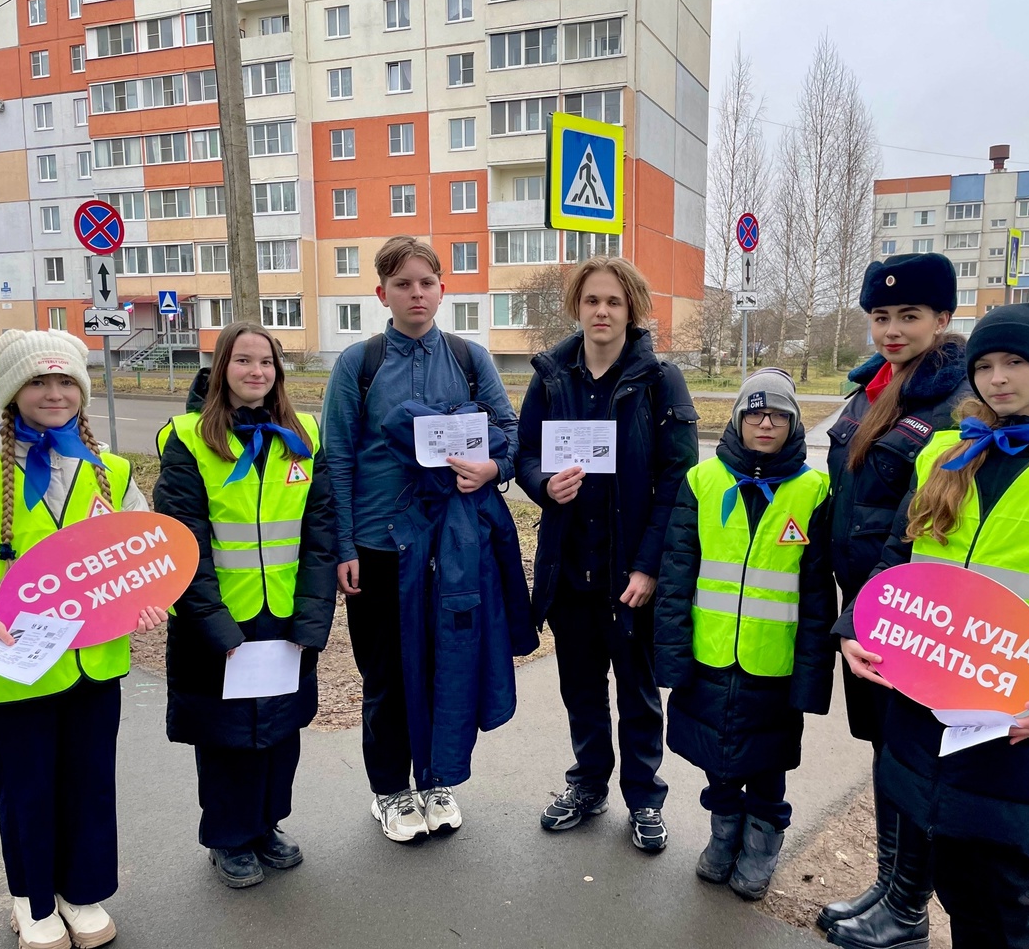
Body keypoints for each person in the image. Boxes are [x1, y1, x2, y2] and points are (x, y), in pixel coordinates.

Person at [830, 303, 1029, 949]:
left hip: (1015, 718)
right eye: (987, 365)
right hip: (925, 708)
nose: (998, 378)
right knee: (947, 874)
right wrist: (857, 626)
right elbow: (898, 557)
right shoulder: (945, 453)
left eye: (1015, 363)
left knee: (999, 894)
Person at [0, 329, 163, 949]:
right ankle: (32, 900)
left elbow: (141, 555)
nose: (54, 393)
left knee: (89, 783)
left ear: (82, 388)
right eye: (38, 382)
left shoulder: (113, 472)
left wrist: (148, 601)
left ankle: (81, 891)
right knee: (27, 789)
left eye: (66, 381)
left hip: (95, 670)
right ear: (13, 392)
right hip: (17, 672)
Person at [321, 235, 520, 843]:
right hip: (380, 548)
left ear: (442, 289)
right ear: (382, 293)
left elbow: (509, 433)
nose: (416, 294)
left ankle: (436, 779)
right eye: (403, 284)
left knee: (444, 665)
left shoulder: (468, 358)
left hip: (452, 550)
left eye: (426, 282)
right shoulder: (360, 363)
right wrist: (346, 547)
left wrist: (492, 468)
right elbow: (337, 459)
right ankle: (390, 791)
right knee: (385, 674)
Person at [515, 255, 699, 852]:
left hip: (629, 570)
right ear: (577, 306)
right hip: (570, 567)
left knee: (638, 692)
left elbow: (677, 480)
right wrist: (545, 484)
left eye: (613, 302)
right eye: (592, 300)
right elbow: (525, 455)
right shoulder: (551, 376)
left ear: (632, 310)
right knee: (581, 688)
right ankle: (589, 784)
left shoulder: (659, 379)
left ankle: (644, 798)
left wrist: (649, 565)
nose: (601, 311)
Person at [155, 321, 337, 888]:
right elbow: (181, 539)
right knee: (227, 733)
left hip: (283, 614)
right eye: (243, 361)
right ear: (220, 370)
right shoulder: (187, 438)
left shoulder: (303, 433)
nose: (256, 371)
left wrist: (312, 613)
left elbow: (320, 529)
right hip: (220, 618)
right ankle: (228, 837)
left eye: (266, 362)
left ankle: (266, 825)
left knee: (279, 729)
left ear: (278, 372)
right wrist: (212, 623)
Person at [820, 252, 968, 941]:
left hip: (910, 608)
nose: (893, 329)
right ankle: (887, 884)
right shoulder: (870, 390)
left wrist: (874, 607)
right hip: (865, 604)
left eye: (909, 316)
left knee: (913, 757)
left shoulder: (955, 401)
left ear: (943, 318)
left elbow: (919, 525)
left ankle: (908, 907)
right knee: (884, 748)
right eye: (881, 316)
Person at [654, 369, 837, 899]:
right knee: (719, 756)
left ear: (793, 422)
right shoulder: (703, 481)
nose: (765, 423)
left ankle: (761, 843)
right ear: (737, 418)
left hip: (773, 663)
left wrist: (811, 677)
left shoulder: (812, 488)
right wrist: (671, 655)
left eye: (778, 414)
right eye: (755, 412)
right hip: (711, 654)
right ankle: (723, 833)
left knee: (769, 760)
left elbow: (818, 593)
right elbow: (676, 573)